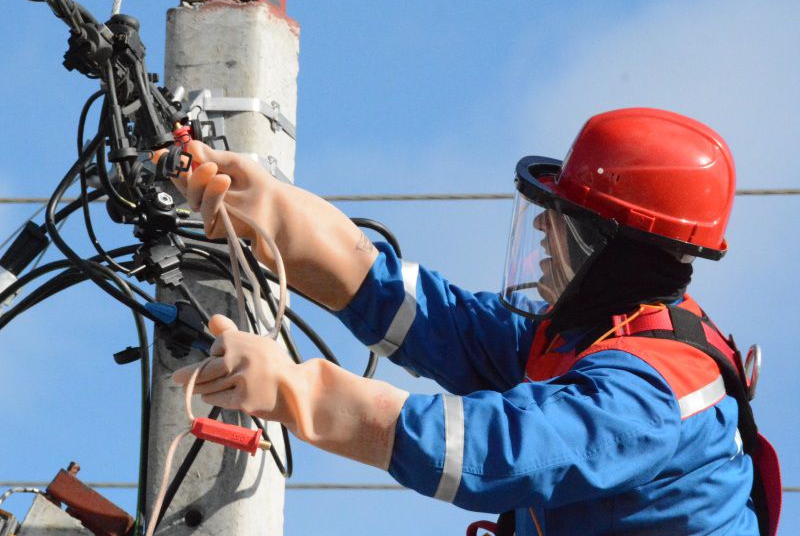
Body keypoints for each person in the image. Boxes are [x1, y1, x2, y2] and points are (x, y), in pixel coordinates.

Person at [170, 108, 780, 535]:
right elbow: (442, 321)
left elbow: (493, 451)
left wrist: (297, 391)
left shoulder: (649, 395)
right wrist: (276, 215)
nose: (542, 231)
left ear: (615, 250)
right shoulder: (589, 338)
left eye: (562, 220)